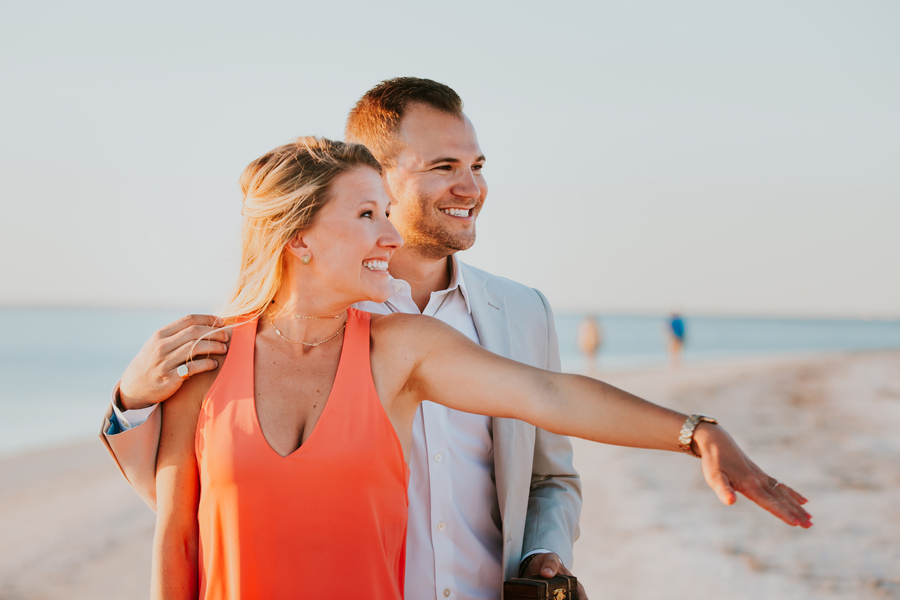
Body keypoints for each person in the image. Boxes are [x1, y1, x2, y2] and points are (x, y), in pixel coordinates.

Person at [149, 136, 810, 600]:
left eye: (387, 210)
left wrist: (696, 432)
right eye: (367, 214)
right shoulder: (204, 363)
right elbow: (176, 541)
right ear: (299, 239)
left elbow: (549, 394)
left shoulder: (401, 350)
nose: (391, 235)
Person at [103, 78, 586, 599]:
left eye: (477, 167)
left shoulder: (523, 311)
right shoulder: (305, 319)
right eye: (444, 167)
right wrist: (129, 401)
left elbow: (550, 477)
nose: (471, 188)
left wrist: (542, 553)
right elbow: (208, 495)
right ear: (378, 177)